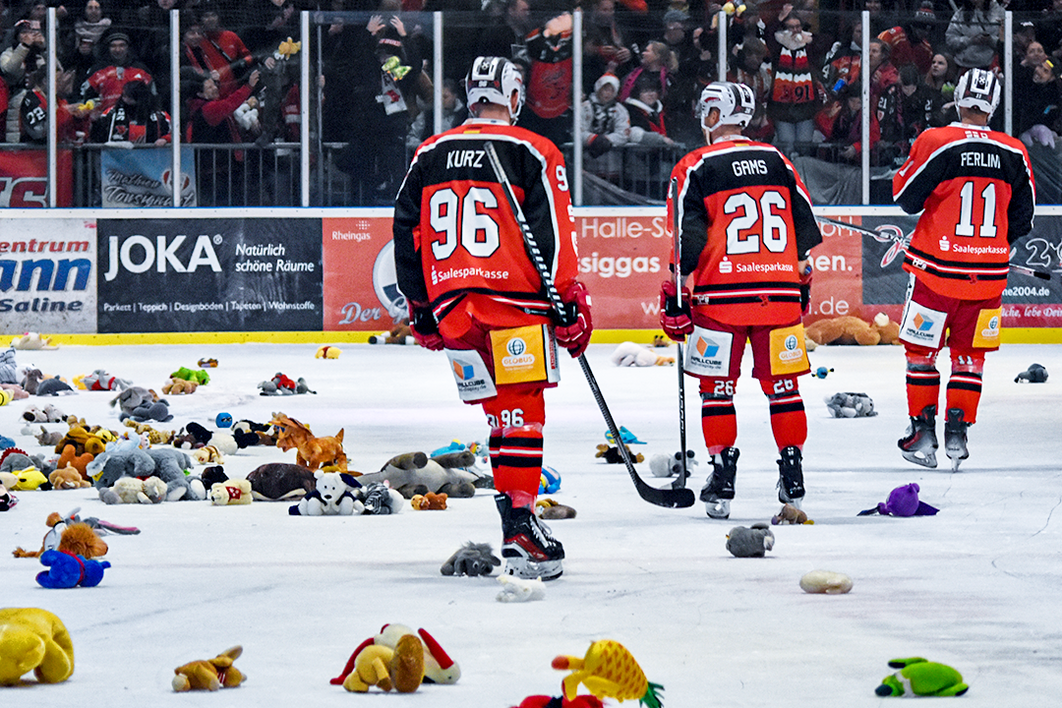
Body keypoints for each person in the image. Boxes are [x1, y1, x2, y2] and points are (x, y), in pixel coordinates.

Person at [392, 56, 590, 581]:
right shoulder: (532, 148)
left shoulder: (429, 153)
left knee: (499, 419)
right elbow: (554, 234)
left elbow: (405, 234)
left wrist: (420, 306)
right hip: (514, 309)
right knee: (521, 415)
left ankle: (515, 521)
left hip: (454, 309)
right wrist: (568, 299)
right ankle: (521, 528)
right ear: (514, 95)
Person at [660, 81, 822, 520]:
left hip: (720, 298)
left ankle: (723, 476)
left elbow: (687, 236)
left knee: (717, 391)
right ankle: (793, 475)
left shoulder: (695, 165)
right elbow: (805, 233)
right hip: (780, 295)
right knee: (784, 391)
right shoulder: (778, 161)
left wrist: (676, 291)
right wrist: (801, 279)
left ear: (714, 113)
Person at [892, 68, 1035, 471]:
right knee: (970, 357)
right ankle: (958, 432)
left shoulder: (937, 141)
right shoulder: (1014, 150)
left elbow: (906, 197)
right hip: (988, 276)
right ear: (993, 105)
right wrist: (991, 247)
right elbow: (1023, 217)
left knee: (921, 352)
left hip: (935, 272)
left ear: (958, 99)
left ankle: (923, 434)